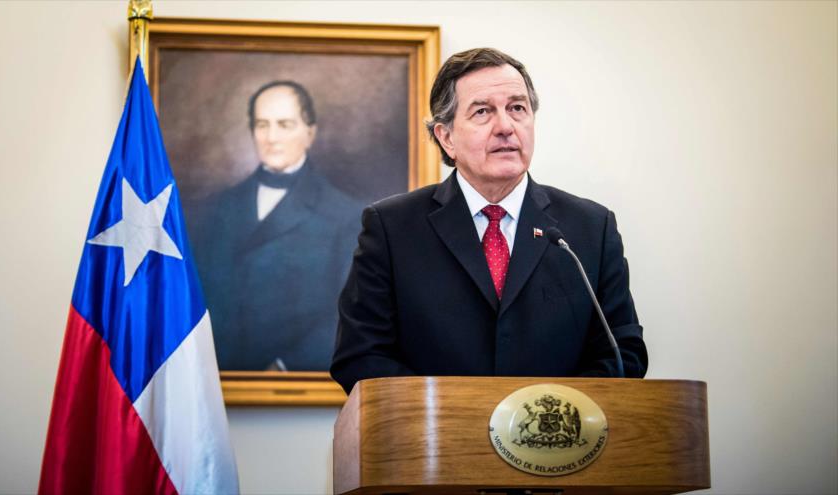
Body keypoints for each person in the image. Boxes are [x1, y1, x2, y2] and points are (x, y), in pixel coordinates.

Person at [330, 48, 647, 394]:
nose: (506, 127)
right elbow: (360, 356)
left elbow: (623, 354)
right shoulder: (391, 228)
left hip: (556, 440)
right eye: (483, 111)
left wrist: (544, 415)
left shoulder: (590, 227)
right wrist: (454, 412)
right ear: (446, 137)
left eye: (517, 108)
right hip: (436, 440)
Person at [188, 80, 363, 371]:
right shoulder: (218, 207)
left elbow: (346, 314)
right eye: (262, 125)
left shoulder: (344, 215)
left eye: (284, 124)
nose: (271, 137)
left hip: (292, 379)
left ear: (309, 133)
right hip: (217, 378)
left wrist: (284, 368)